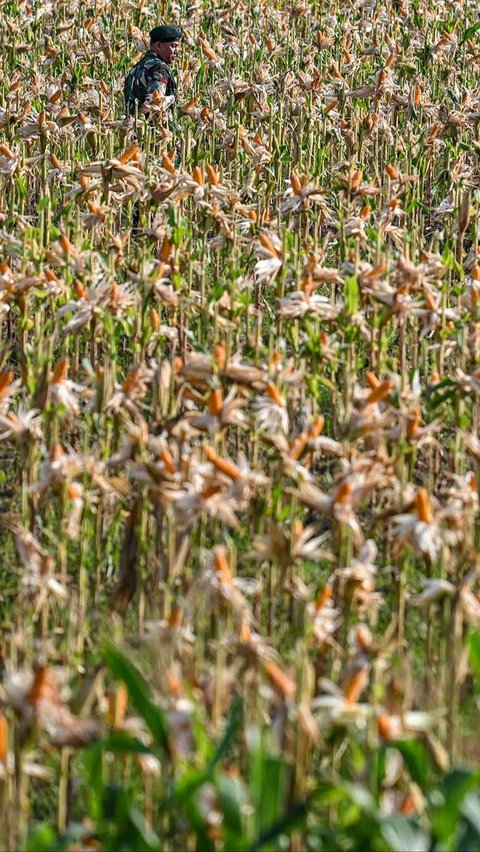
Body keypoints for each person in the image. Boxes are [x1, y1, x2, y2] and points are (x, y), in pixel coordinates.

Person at [124, 25, 181, 123]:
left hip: (134, 128)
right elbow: (156, 104)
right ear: (158, 45)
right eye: (173, 46)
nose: (177, 51)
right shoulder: (159, 68)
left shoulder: (138, 66)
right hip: (152, 131)